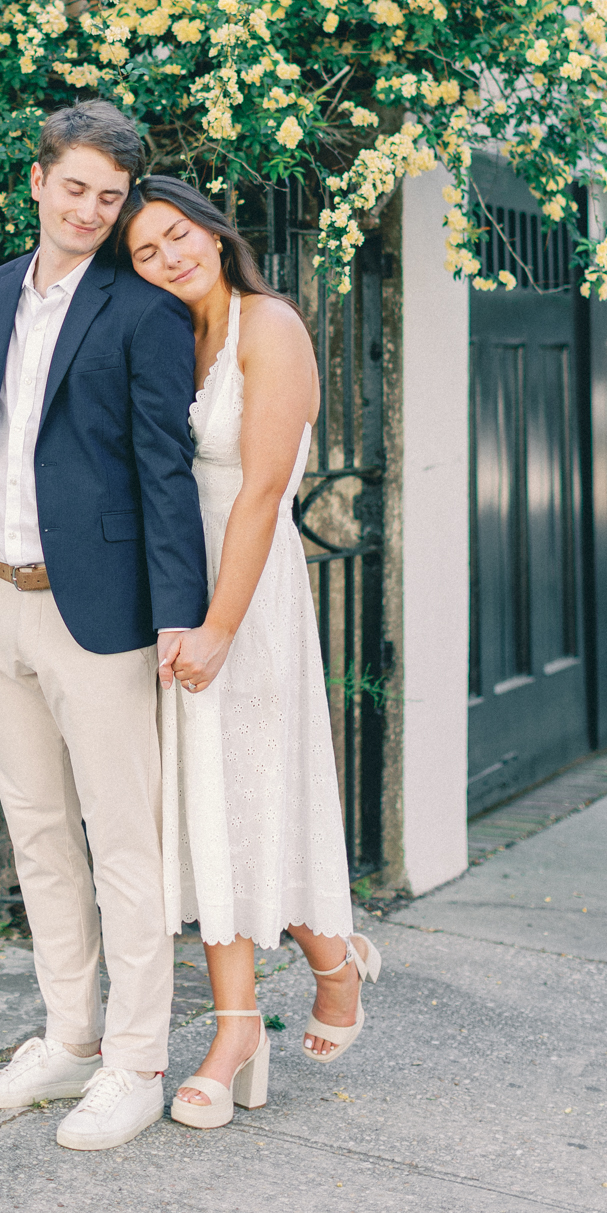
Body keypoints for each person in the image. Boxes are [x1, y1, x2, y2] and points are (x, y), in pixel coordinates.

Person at [0, 104, 208, 1151]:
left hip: (99, 617)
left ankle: (138, 1061)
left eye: (111, 196)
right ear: (38, 182)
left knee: (123, 841)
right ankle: (70, 1039)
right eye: (76, 188)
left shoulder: (143, 311)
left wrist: (179, 613)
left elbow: (162, 473)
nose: (91, 210)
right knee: (39, 833)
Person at [119, 175, 381, 1131]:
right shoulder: (167, 339)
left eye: (177, 236)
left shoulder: (269, 327)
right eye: (145, 252)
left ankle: (332, 961)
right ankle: (237, 1032)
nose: (168, 258)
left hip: (249, 595)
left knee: (257, 795)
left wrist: (221, 624)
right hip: (180, 597)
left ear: (216, 232)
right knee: (204, 812)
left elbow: (263, 493)